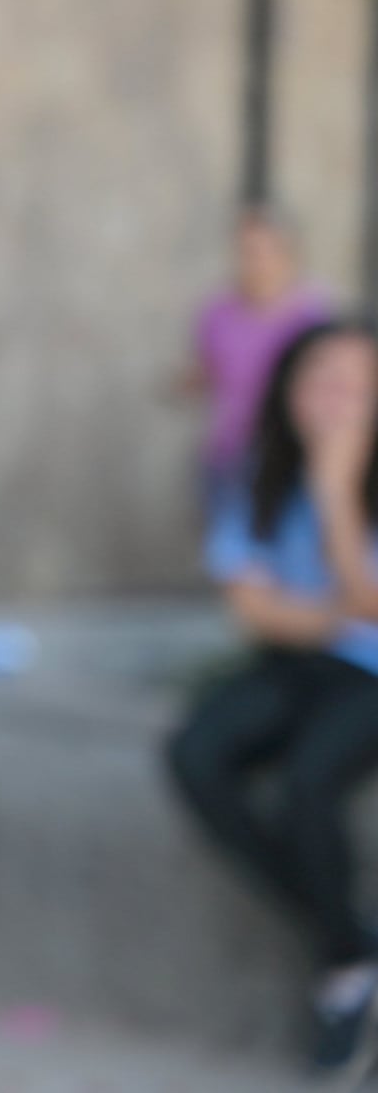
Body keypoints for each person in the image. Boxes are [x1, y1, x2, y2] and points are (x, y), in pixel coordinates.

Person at [167, 316, 378, 1071]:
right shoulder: (257, 470)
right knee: (196, 753)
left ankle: (345, 974)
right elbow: (253, 609)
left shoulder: (341, 481)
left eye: (355, 384)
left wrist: (336, 491)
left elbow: (370, 604)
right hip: (293, 661)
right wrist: (332, 616)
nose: (334, 398)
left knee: (309, 783)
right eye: (319, 378)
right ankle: (348, 937)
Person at [185, 205, 329, 518]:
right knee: (226, 541)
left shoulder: (315, 313)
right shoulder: (216, 312)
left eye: (265, 250)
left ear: (289, 252)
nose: (255, 260)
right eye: (247, 250)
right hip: (230, 453)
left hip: (290, 456)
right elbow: (209, 370)